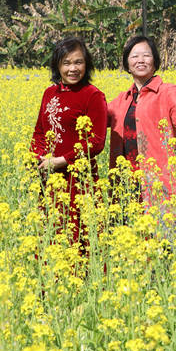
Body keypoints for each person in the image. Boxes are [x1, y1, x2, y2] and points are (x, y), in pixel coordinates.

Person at [108, 35, 176, 205]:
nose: (140, 60)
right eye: (134, 56)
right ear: (127, 64)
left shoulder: (166, 91)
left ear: (155, 62)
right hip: (126, 181)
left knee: (160, 228)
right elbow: (98, 117)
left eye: (146, 55)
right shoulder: (122, 99)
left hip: (156, 178)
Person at [31, 37, 108, 247]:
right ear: (57, 65)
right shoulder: (49, 93)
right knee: (51, 236)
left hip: (79, 181)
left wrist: (61, 160)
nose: (73, 68)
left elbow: (97, 141)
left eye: (78, 62)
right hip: (48, 178)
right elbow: (39, 131)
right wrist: (37, 157)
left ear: (87, 64)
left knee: (79, 239)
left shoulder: (93, 96)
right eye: (66, 63)